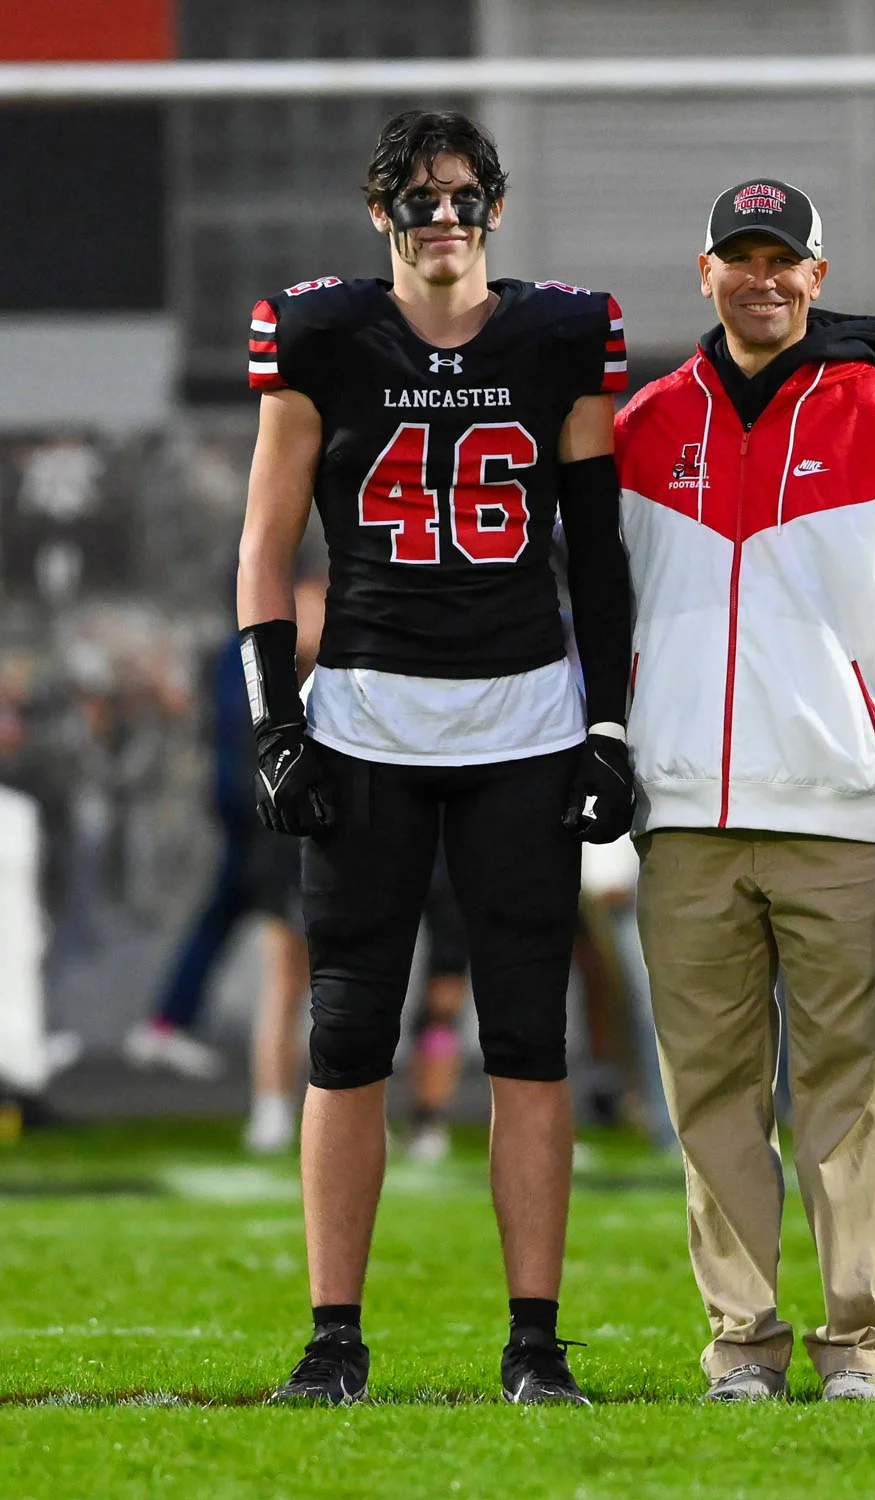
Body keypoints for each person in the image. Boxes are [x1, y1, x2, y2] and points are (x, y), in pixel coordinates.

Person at [236, 109, 634, 1406]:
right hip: (364, 719)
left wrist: (609, 723)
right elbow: (266, 539)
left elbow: (597, 550)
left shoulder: (560, 334)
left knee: (528, 1033)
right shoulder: (320, 334)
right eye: (418, 198)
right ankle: (333, 1337)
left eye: (463, 197)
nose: (442, 216)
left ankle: (535, 1341)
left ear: (496, 210)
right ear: (380, 215)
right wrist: (270, 717)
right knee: (347, 1032)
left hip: (522, 716)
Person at [615, 178, 875, 1403]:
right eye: (742, 257)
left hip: (850, 814)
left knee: (853, 1093)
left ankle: (857, 1349)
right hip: (683, 818)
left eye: (785, 260)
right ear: (707, 273)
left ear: (819, 279)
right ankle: (741, 1345)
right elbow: (590, 616)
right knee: (713, 1098)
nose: (764, 278)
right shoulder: (637, 426)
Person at [124, 573, 324, 1118]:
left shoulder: (297, 661)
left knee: (235, 920)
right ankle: (268, 1099)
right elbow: (251, 744)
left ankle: (169, 1021)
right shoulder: (252, 658)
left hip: (285, 822)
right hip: (267, 822)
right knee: (282, 964)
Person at [404, 848, 470, 1163]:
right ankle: (364, 1108)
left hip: (455, 846)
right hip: (391, 834)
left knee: (443, 998)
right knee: (365, 997)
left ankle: (429, 1117)